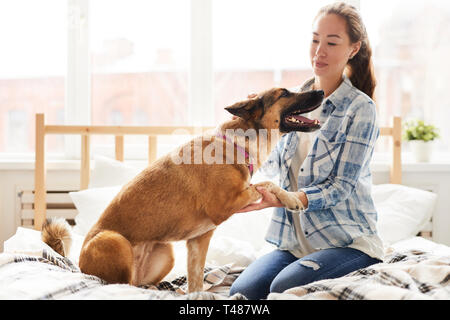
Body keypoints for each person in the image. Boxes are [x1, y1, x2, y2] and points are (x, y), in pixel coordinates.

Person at [229, 2, 383, 300]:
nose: (319, 51)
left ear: (353, 48)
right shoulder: (290, 102)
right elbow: (273, 166)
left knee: (283, 288)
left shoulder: (360, 109)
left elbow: (340, 188)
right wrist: (256, 126)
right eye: (315, 40)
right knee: (243, 292)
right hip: (294, 243)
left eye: (331, 42)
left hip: (346, 241)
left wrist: (286, 198)